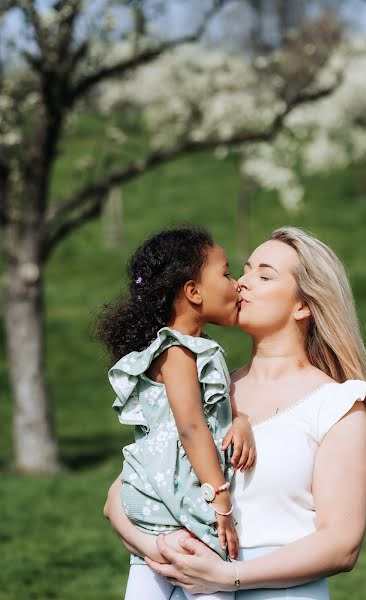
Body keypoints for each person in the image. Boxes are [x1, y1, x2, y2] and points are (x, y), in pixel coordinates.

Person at [104, 226, 366, 599]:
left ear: (303, 305)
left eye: (264, 275)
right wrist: (161, 550)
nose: (241, 284)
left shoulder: (339, 405)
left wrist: (227, 576)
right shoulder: (205, 391)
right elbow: (119, 497)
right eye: (243, 270)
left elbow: (341, 544)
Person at [93, 226, 257, 600]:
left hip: (160, 506)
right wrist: (221, 500)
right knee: (210, 587)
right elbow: (192, 427)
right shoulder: (177, 352)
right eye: (227, 273)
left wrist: (241, 420)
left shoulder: (196, 349)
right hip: (177, 504)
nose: (237, 285)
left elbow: (214, 412)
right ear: (193, 292)